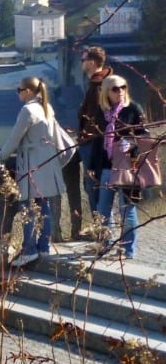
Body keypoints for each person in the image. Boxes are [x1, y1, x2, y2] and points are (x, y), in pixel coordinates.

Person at [0, 77, 67, 267]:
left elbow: (14, 138)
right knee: (44, 205)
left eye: (19, 89)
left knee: (27, 206)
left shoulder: (27, 110)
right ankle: (43, 246)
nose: (17, 93)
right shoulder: (45, 107)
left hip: (32, 164)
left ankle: (29, 250)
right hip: (47, 163)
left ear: (27, 91)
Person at [92, 74, 147, 259]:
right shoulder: (102, 112)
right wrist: (92, 166)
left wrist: (130, 142)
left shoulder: (133, 109)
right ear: (107, 91)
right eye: (115, 88)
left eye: (123, 87)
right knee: (102, 209)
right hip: (107, 166)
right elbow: (97, 140)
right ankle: (103, 245)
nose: (120, 91)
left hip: (128, 166)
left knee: (127, 209)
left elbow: (145, 137)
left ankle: (127, 250)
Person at [76, 46, 112, 233]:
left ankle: (103, 234)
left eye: (83, 60)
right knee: (97, 188)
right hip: (97, 141)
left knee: (94, 188)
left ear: (91, 62)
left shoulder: (98, 85)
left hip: (95, 143)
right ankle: (103, 233)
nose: (81, 63)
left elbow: (97, 116)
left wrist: (86, 134)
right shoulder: (103, 82)